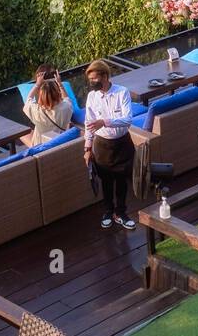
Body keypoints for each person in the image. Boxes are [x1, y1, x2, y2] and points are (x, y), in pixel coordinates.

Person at [83, 59, 138, 231]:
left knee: (122, 181)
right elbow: (88, 123)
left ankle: (121, 213)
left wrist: (105, 122)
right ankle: (108, 211)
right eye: (90, 80)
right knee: (106, 181)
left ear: (105, 76)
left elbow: (128, 120)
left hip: (122, 144)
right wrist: (87, 147)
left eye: (95, 79)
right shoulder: (92, 97)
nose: (92, 82)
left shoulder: (122, 92)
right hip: (102, 145)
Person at [22, 65, 74, 147]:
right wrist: (60, 84)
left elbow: (28, 99)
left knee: (22, 134)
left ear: (41, 93)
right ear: (57, 92)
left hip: (39, 147)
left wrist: (37, 84)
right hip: (59, 143)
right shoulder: (66, 107)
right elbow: (66, 98)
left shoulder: (36, 110)